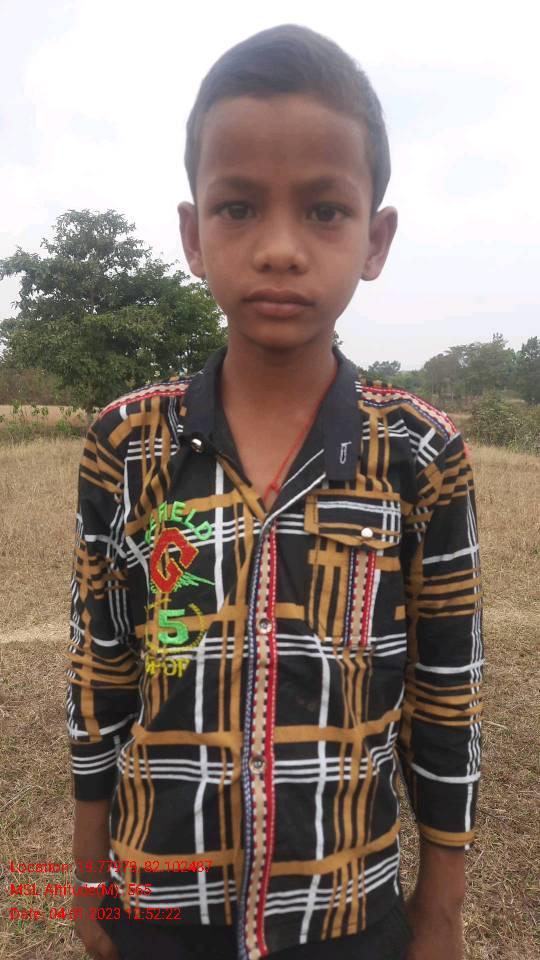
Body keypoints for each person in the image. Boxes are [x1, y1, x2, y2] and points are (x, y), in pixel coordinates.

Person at [66, 23, 483, 960]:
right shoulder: (126, 447)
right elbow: (101, 679)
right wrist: (88, 880)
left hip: (349, 913)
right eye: (239, 207)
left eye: (325, 211)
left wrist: (441, 908)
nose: (281, 249)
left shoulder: (419, 452)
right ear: (193, 234)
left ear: (376, 239)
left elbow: (447, 696)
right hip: (160, 905)